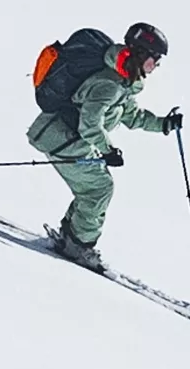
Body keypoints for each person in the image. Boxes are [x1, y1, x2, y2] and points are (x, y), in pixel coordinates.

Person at [29, 21, 181, 271]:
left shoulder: (123, 79)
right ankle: (78, 245)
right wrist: (108, 150)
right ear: (142, 54)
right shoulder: (110, 82)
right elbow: (90, 123)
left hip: (68, 138)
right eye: (155, 59)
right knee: (99, 188)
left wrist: (164, 124)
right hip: (63, 139)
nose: (155, 66)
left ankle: (72, 237)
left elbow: (132, 116)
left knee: (93, 188)